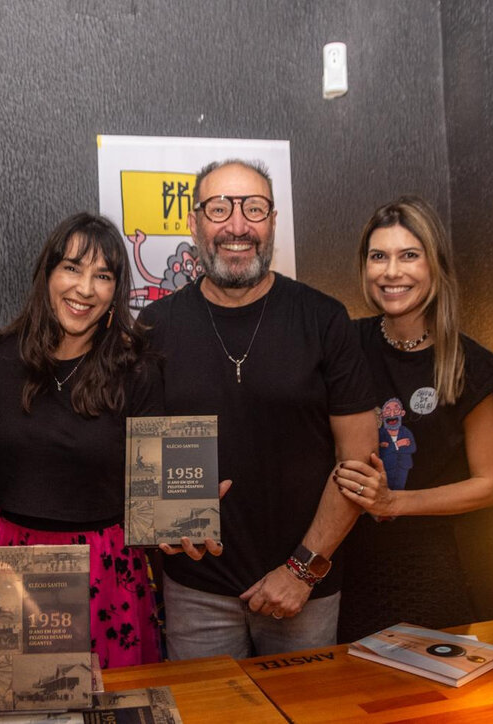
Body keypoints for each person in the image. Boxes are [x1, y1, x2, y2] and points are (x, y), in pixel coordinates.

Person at [137, 159, 378, 659]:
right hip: (195, 591)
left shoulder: (324, 318)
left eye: (254, 208)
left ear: (272, 222)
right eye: (220, 208)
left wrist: (301, 570)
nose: (237, 225)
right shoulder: (157, 324)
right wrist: (167, 522)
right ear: (194, 222)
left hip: (303, 589)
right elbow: (149, 451)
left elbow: (358, 464)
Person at [0, 212, 215, 668]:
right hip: (17, 559)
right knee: (28, 712)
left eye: (102, 275)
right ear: (46, 274)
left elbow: (164, 496)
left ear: (115, 291)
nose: (85, 289)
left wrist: (189, 514)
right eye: (71, 268)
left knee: (114, 706)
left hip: (105, 566)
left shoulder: (138, 368)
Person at [335, 195, 493, 642]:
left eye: (409, 255)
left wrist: (394, 503)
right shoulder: (344, 344)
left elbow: (490, 484)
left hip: (424, 570)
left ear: (434, 265)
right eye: (379, 256)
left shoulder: (468, 364)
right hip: (341, 566)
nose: (392, 271)